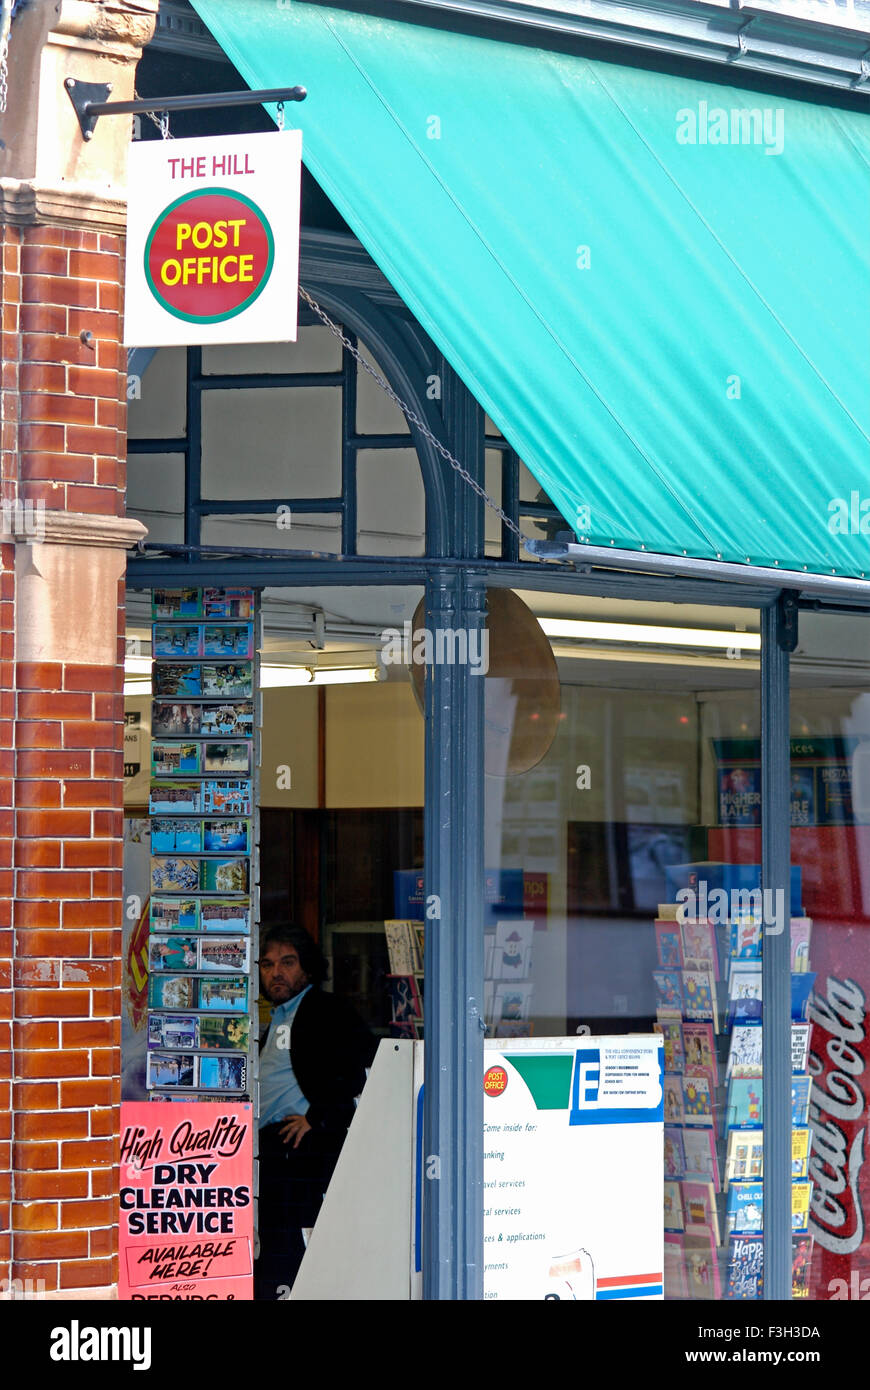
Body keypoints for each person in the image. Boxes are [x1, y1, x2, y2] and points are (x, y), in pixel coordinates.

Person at [255, 923, 377, 1300]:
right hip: (271, 1148)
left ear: (307, 968)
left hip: (302, 1150)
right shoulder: (277, 1016)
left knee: (291, 1241)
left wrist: (319, 1118)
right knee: (273, 1237)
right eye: (268, 964)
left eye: (287, 962)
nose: (276, 972)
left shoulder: (324, 1009)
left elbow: (362, 1068)